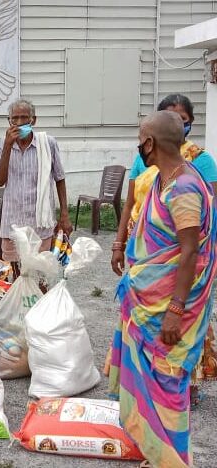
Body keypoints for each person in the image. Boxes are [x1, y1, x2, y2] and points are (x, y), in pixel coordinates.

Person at [108, 111, 217, 468]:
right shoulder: (162, 180)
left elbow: (190, 252)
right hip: (147, 302)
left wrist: (175, 310)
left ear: (150, 144)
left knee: (168, 383)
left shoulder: (184, 187)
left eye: (140, 139)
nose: (139, 146)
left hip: (167, 309)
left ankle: (173, 461)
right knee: (151, 383)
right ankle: (156, 454)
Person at [0, 99, 71, 278]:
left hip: (40, 223)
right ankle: (21, 304)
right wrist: (7, 145)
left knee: (41, 273)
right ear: (9, 122)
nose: (19, 123)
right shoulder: (2, 144)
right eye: (15, 119)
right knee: (17, 274)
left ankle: (39, 304)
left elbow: (60, 178)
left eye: (24, 118)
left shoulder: (47, 144)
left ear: (33, 120)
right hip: (12, 221)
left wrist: (64, 215)